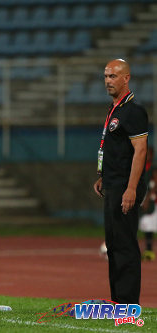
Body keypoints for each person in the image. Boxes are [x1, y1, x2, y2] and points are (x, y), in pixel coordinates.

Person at [93, 59, 148, 305]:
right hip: (112, 184)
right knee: (113, 243)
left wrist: (132, 188)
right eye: (106, 76)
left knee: (125, 243)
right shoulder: (115, 109)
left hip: (126, 186)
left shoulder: (133, 110)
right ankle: (117, 299)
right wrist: (103, 176)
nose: (108, 81)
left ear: (126, 78)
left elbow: (140, 151)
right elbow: (116, 149)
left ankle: (128, 302)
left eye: (113, 76)